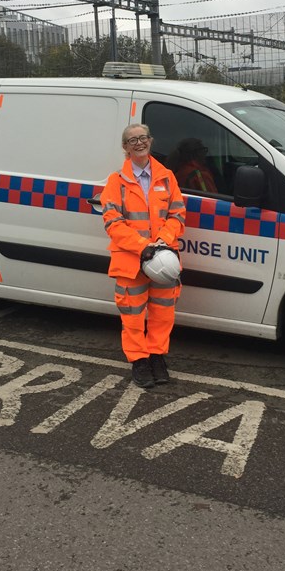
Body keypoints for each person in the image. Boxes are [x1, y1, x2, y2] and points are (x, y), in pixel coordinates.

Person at [100, 123, 186, 389]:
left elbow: (177, 215)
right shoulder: (116, 181)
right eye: (132, 140)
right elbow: (112, 222)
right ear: (125, 148)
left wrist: (163, 241)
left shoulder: (166, 177)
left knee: (162, 315)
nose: (139, 143)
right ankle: (139, 360)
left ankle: (157, 357)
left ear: (151, 141)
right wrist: (143, 247)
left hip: (162, 262)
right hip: (131, 262)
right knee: (133, 316)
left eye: (143, 138)